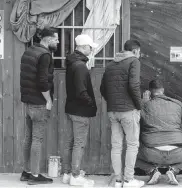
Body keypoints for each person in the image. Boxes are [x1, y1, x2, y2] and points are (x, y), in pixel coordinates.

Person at [100, 40, 144, 188]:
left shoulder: (111, 64)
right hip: (128, 110)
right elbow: (134, 85)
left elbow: (102, 88)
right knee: (132, 144)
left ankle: (118, 180)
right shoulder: (134, 62)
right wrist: (139, 106)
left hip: (113, 111)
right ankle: (130, 180)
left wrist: (111, 102)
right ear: (136, 51)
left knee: (116, 146)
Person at [20, 27, 59, 185]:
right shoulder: (44, 55)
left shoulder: (29, 51)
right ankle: (35, 176)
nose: (57, 42)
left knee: (28, 138)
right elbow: (43, 82)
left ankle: (26, 172)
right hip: (39, 103)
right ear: (48, 39)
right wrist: (48, 100)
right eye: (56, 39)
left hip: (28, 102)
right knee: (37, 139)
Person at [135, 79, 182, 185]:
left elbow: (136, 123)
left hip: (151, 152)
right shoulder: (178, 104)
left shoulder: (145, 106)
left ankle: (152, 170)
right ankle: (174, 170)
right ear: (162, 90)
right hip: (178, 152)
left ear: (150, 91)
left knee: (131, 152)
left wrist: (143, 103)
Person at [61, 34, 98, 186]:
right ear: (83, 47)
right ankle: (75, 176)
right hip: (80, 110)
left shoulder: (72, 63)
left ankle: (68, 173)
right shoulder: (80, 66)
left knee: (71, 142)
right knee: (79, 144)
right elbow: (82, 91)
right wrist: (91, 104)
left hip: (71, 108)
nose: (91, 50)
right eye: (90, 47)